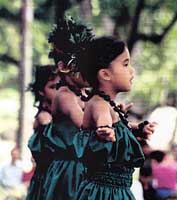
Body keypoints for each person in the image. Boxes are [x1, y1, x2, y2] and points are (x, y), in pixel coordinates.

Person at [65, 36, 156, 199]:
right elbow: (103, 123)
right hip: (104, 194)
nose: (132, 70)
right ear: (105, 74)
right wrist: (105, 130)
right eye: (126, 64)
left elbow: (116, 130)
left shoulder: (109, 105)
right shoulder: (99, 104)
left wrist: (137, 129)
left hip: (114, 192)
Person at [42, 16, 116, 200]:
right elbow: (85, 123)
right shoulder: (65, 96)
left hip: (82, 169)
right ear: (63, 67)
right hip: (68, 173)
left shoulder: (84, 95)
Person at [26, 64, 60, 200]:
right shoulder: (44, 118)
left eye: (60, 86)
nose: (58, 91)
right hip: (47, 182)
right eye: (52, 87)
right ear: (41, 92)